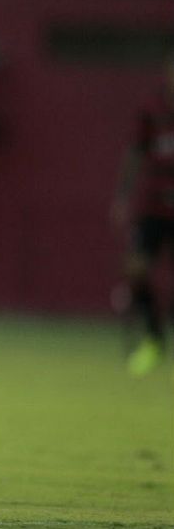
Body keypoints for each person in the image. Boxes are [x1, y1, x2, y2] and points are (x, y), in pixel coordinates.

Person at [111, 54, 174, 377]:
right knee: (136, 268)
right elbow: (135, 153)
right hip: (155, 210)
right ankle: (153, 339)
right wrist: (122, 197)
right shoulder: (153, 110)